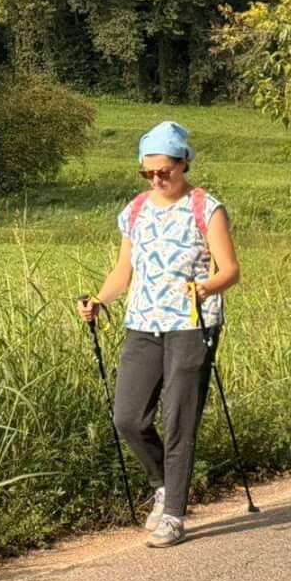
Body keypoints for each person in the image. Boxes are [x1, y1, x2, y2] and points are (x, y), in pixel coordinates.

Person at [78, 121, 241, 548]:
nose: (156, 179)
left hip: (191, 323)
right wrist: (99, 300)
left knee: (179, 420)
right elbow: (123, 270)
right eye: (147, 172)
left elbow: (230, 270)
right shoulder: (135, 210)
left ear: (183, 162)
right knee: (128, 418)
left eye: (163, 170)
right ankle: (163, 484)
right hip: (143, 323)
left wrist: (206, 286)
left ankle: (173, 514)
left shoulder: (206, 208)